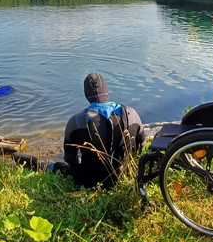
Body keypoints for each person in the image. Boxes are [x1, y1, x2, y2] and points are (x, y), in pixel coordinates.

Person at [13, 73, 145, 189]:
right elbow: (141, 147)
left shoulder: (76, 121)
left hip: (89, 180)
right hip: (124, 176)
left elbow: (70, 159)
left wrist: (81, 167)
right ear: (107, 91)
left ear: (86, 94)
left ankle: (35, 163)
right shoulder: (131, 114)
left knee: (58, 166)